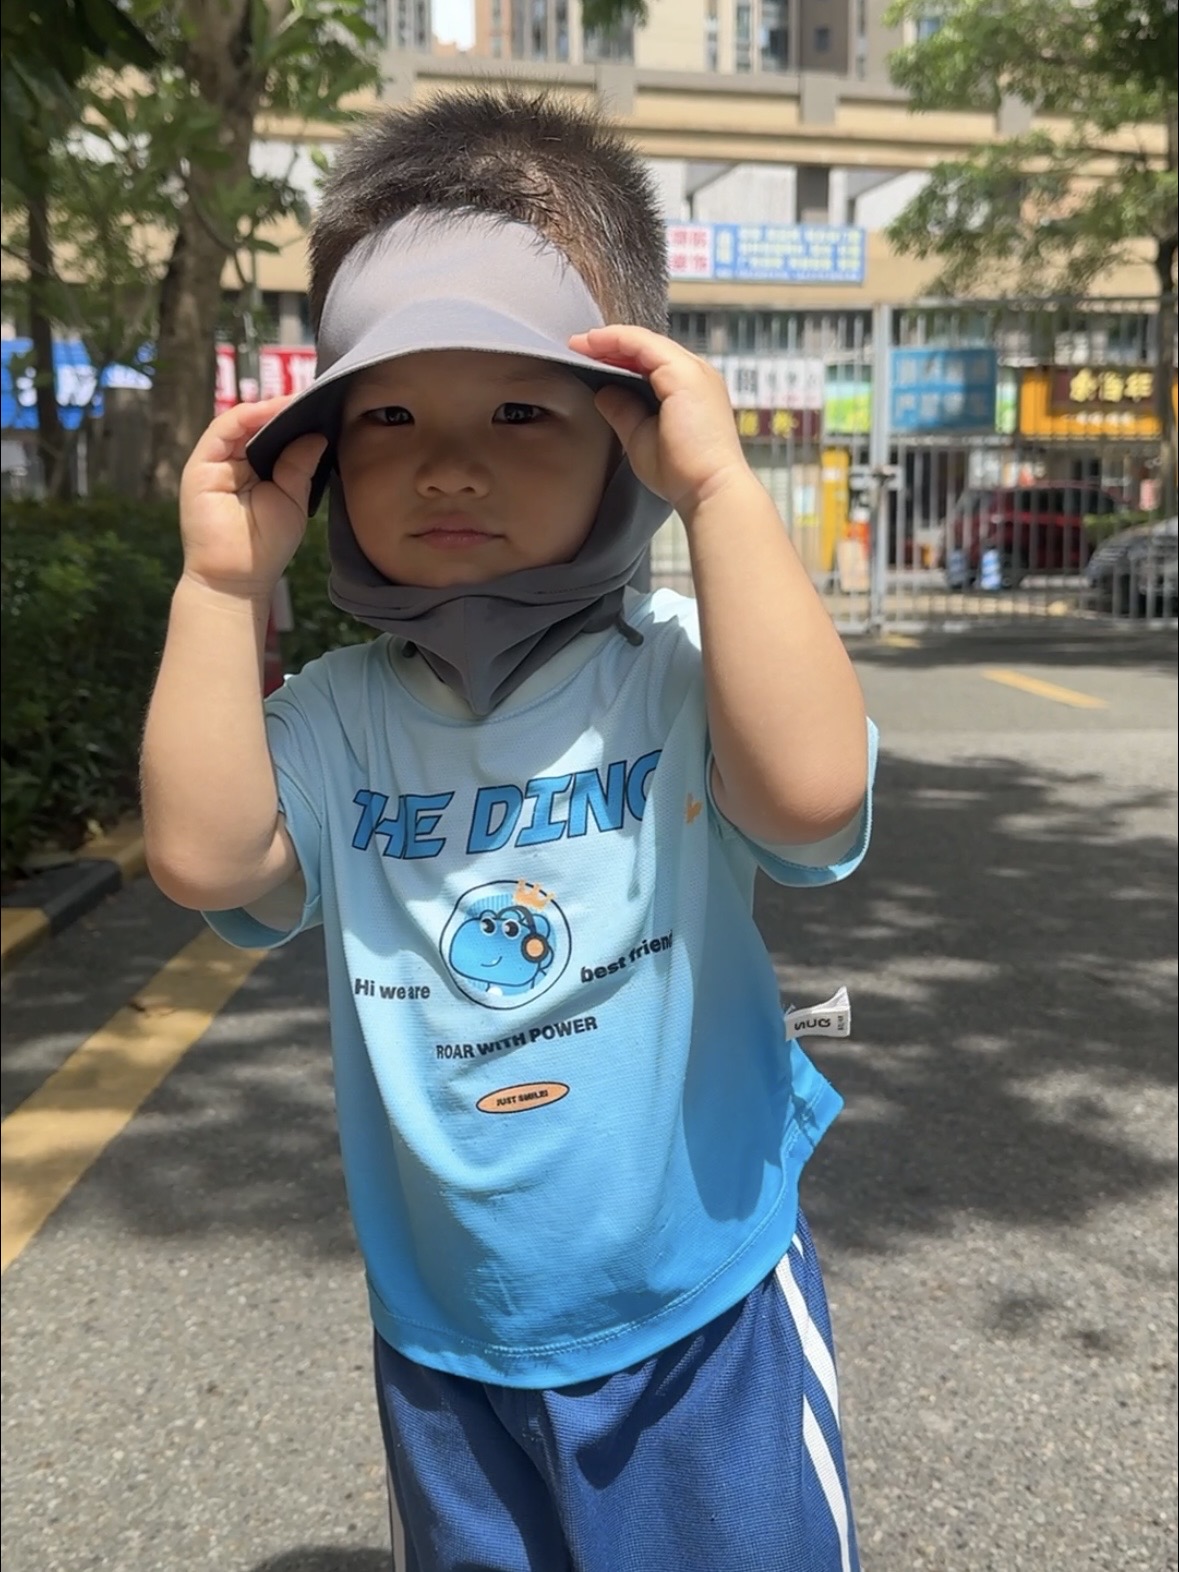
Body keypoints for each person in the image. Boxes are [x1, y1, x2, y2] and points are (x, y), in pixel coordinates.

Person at [142, 89, 877, 1572]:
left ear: (628, 428)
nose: (448, 464)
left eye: (522, 410)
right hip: (451, 1336)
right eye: (390, 415)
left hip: (701, 1311)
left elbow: (812, 796)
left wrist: (719, 490)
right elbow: (212, 859)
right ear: (325, 448)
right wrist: (221, 589)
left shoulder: (678, 674)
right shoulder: (342, 717)